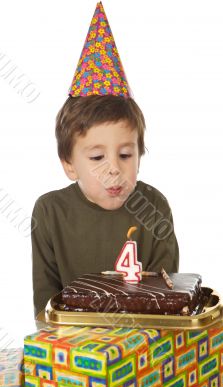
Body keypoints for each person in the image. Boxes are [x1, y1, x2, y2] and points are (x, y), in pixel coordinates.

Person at [31, 3, 179, 318]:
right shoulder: (50, 212)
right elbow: (45, 307)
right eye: (97, 156)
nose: (114, 167)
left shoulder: (154, 207)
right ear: (69, 163)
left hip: (140, 348)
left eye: (126, 154)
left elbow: (168, 302)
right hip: (72, 349)